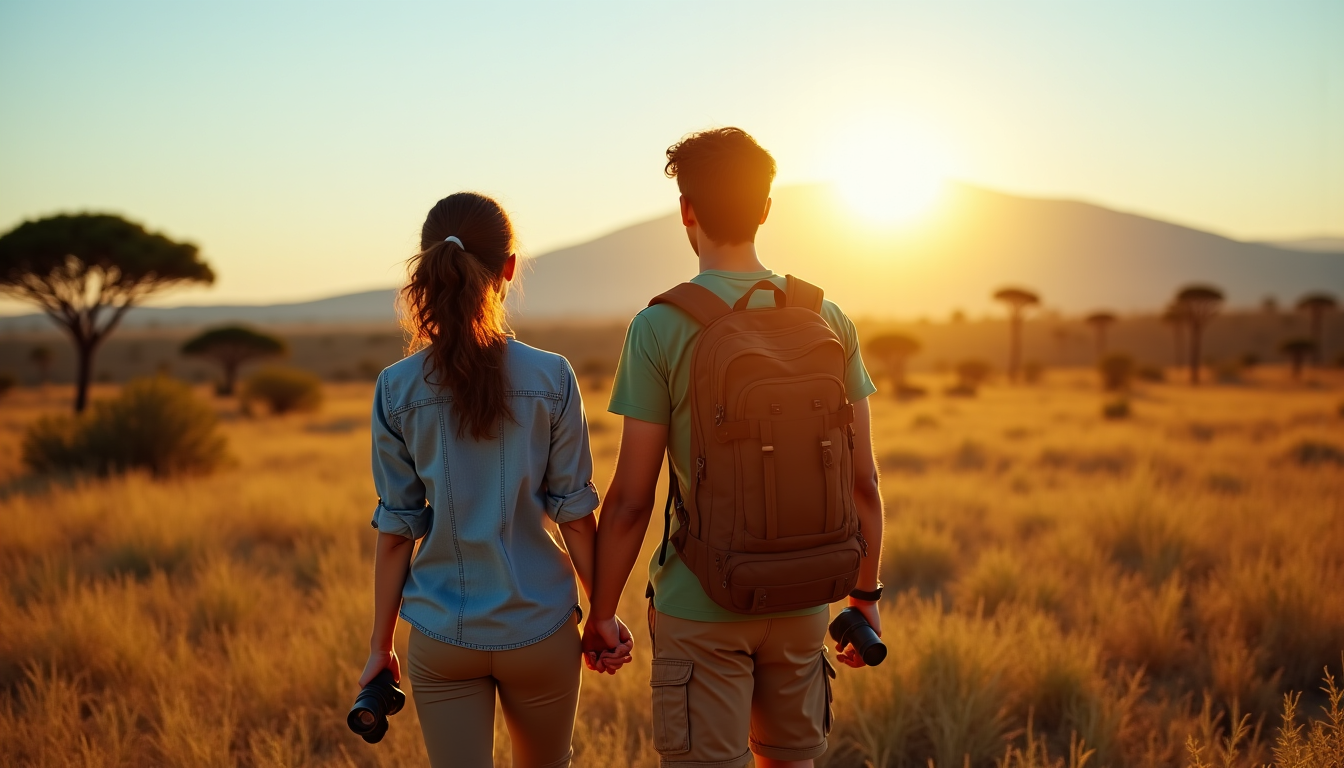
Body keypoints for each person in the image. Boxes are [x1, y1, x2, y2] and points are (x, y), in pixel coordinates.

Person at [582, 128, 887, 768]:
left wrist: (602, 615)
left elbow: (632, 501)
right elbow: (864, 485)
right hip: (806, 596)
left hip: (701, 602)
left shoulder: (661, 325)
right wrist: (863, 599)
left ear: (687, 212)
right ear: (766, 208)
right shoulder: (827, 317)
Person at [358, 192, 632, 768]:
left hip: (442, 635)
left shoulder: (396, 387)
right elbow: (576, 517)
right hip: (542, 628)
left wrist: (380, 648)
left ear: (429, 263)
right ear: (508, 269)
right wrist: (601, 614)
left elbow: (396, 532)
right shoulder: (552, 376)